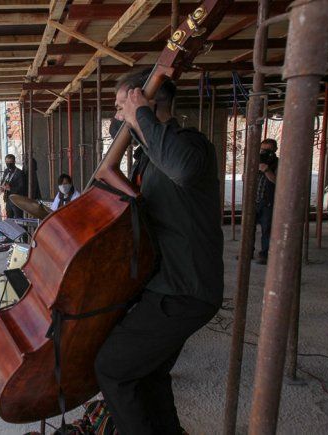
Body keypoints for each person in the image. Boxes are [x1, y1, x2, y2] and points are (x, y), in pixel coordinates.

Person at [94, 71, 223, 435]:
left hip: (184, 289)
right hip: (165, 284)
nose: (118, 115)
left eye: (122, 106)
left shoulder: (190, 144)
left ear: (144, 102)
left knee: (112, 368)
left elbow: (181, 169)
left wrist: (141, 114)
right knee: (149, 373)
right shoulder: (150, 157)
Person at [255, 138, 278, 265]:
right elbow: (246, 177)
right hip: (254, 201)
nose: (265, 153)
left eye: (269, 150)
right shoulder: (255, 161)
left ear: (275, 150)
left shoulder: (279, 163)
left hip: (268, 202)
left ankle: (264, 254)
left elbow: (279, 182)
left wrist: (267, 170)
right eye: (263, 150)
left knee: (267, 229)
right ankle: (247, 251)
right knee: (248, 228)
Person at [0, 154, 26, 219]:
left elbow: (22, 187)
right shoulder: (6, 171)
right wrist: (2, 187)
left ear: (14, 162)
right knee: (9, 219)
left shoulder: (19, 172)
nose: (8, 164)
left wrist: (10, 189)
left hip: (17, 200)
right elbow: (3, 180)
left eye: (10, 162)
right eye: (7, 162)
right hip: (8, 199)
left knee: (18, 219)